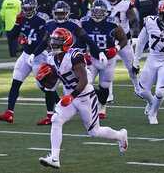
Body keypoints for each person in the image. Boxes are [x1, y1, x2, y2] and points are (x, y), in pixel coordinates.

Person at [37, 28, 128, 169]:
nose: (53, 44)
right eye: (53, 41)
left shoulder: (74, 55)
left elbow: (84, 80)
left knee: (94, 132)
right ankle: (54, 158)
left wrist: (72, 96)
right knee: (56, 119)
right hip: (70, 97)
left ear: (66, 43)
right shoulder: (51, 57)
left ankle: (120, 135)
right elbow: (55, 81)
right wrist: (45, 82)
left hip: (85, 96)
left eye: (57, 42)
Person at [34, 0, 104, 123]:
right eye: (58, 13)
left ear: (67, 14)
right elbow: (45, 41)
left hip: (71, 57)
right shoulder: (50, 25)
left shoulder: (73, 24)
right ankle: (50, 115)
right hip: (56, 57)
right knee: (48, 85)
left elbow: (86, 38)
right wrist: (34, 54)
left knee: (80, 83)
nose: (60, 16)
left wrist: (98, 52)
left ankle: (97, 98)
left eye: (62, 14)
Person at [0, 0, 53, 124]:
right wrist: (16, 23)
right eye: (25, 8)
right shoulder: (21, 18)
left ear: (35, 8)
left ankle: (59, 106)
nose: (26, 11)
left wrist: (33, 51)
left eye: (29, 8)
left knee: (45, 86)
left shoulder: (42, 19)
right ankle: (9, 113)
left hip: (39, 55)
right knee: (15, 82)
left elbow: (44, 41)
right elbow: (11, 36)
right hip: (26, 55)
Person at [134, 1, 164, 124]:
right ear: (159, 14)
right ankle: (151, 103)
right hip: (152, 59)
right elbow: (141, 41)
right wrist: (136, 60)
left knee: (160, 92)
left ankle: (153, 113)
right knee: (142, 91)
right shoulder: (150, 22)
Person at [81, 0, 127, 119]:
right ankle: (88, 106)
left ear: (105, 12)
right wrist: (83, 52)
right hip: (92, 57)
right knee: (85, 83)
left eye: (100, 11)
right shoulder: (85, 22)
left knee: (104, 85)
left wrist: (116, 48)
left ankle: (102, 106)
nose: (97, 14)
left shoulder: (112, 23)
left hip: (108, 59)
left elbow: (123, 39)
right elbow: (80, 39)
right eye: (95, 11)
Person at [99, 0, 141, 100]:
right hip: (108, 40)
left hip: (124, 40)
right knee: (106, 69)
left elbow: (133, 18)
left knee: (132, 66)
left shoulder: (125, 4)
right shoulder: (102, 0)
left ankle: (138, 88)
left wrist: (135, 29)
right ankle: (109, 95)